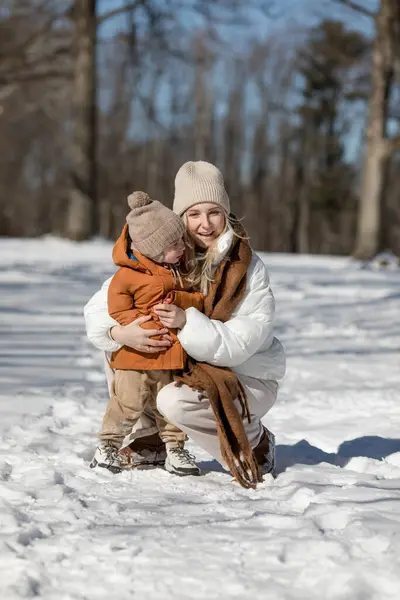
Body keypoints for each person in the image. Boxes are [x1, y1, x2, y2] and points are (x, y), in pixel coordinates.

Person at [84, 161, 286, 486]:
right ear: (181, 218)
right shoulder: (166, 254)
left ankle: (255, 443)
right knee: (123, 347)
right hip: (187, 368)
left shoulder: (246, 267)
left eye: (214, 212)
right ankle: (152, 439)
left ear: (227, 213)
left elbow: (238, 345)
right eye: (194, 214)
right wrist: (121, 332)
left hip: (245, 377)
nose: (205, 225)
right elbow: (101, 306)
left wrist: (185, 321)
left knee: (173, 401)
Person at [90, 191, 203, 476]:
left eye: (180, 241)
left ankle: (175, 449)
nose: (181, 248)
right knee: (126, 403)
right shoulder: (127, 275)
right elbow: (116, 307)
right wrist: (136, 324)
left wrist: (181, 303)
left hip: (169, 357)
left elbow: (196, 298)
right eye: (173, 244)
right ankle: (108, 446)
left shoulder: (179, 272)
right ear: (154, 248)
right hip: (134, 358)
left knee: (169, 408)